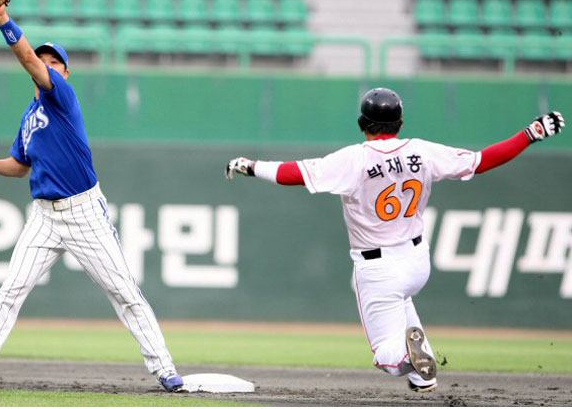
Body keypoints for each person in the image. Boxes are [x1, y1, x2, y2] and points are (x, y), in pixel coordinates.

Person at [225, 88, 565, 392]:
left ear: (363, 123)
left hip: (378, 267)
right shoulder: (422, 151)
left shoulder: (354, 159)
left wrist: (250, 166)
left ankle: (407, 356)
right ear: (400, 122)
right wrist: (530, 134)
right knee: (402, 305)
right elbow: (482, 161)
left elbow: (291, 174)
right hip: (417, 260)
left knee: (386, 353)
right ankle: (423, 374)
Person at [0, 1, 183, 392]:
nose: (47, 64)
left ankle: (164, 367)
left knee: (124, 291)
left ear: (64, 71)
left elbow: (27, 59)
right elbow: (21, 164)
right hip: (44, 217)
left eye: (54, 61)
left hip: (84, 213)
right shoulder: (30, 116)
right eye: (45, 59)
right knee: (10, 290)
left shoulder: (61, 96)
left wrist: (1, 18)